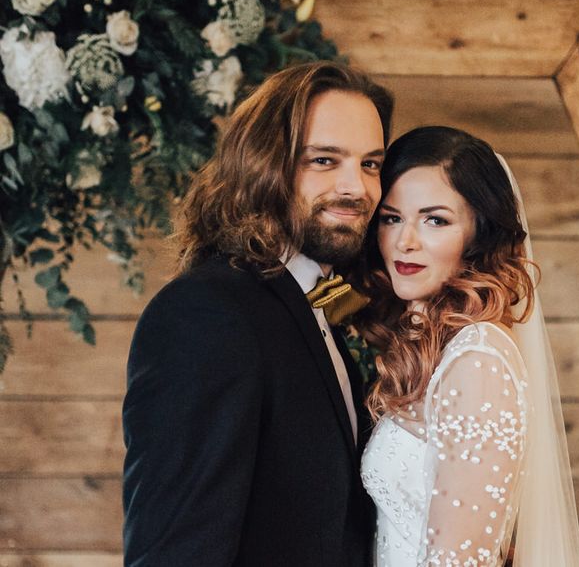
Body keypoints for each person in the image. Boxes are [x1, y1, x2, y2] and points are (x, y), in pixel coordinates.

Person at [122, 61, 394, 566]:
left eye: (371, 164)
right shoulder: (205, 314)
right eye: (324, 160)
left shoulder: (311, 308)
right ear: (263, 163)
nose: (357, 188)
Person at [357, 126, 579, 566]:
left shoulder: (477, 359)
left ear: (477, 234)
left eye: (435, 220)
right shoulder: (438, 348)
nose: (406, 241)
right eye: (392, 218)